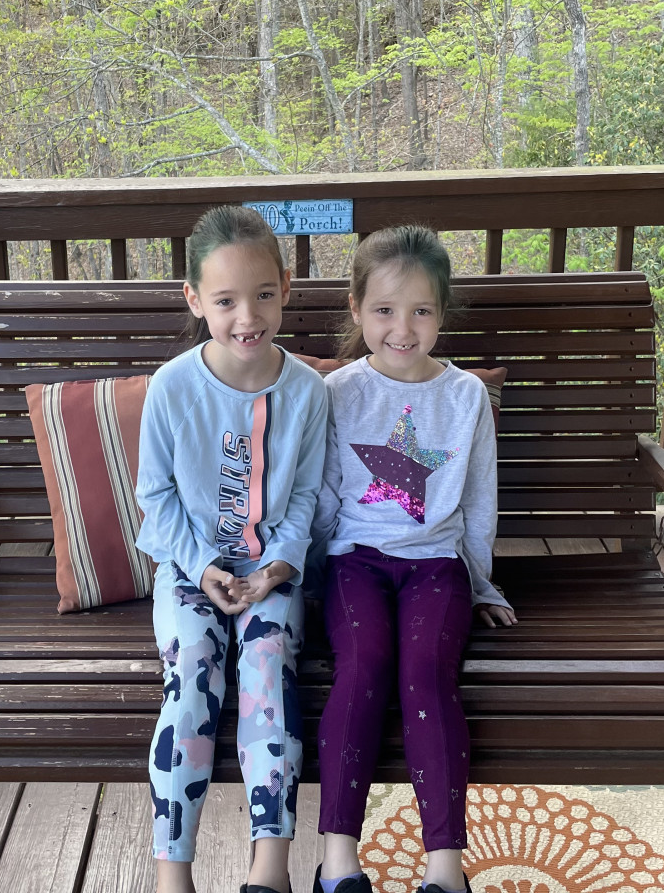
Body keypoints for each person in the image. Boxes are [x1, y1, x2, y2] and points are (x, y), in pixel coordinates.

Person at [310, 226, 516, 893]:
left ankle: (445, 869)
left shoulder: (465, 396)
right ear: (356, 309)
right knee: (363, 664)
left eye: (421, 310)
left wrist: (481, 586)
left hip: (436, 566)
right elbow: (323, 496)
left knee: (427, 674)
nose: (403, 328)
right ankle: (338, 860)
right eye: (385, 310)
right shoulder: (338, 392)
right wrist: (310, 582)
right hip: (355, 562)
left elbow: (478, 500)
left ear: (441, 313)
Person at [137, 205, 329, 893]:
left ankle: (269, 867)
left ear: (286, 287)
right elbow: (155, 497)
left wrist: (277, 568)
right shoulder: (171, 388)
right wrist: (202, 566)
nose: (247, 317)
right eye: (225, 301)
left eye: (264, 295)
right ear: (194, 299)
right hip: (190, 570)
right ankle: (173, 873)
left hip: (271, 571)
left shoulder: (307, 391)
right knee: (193, 668)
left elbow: (306, 495)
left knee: (269, 663)